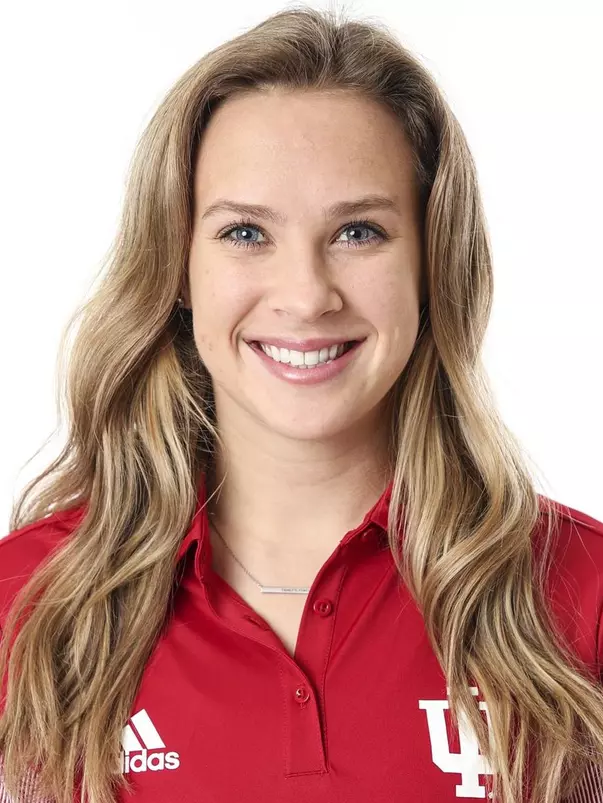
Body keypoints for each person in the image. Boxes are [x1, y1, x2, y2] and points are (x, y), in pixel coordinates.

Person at [0, 5, 602, 803]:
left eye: (358, 232)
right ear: (177, 268)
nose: (306, 296)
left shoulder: (582, 593)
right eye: (245, 233)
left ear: (431, 265)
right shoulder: (26, 603)